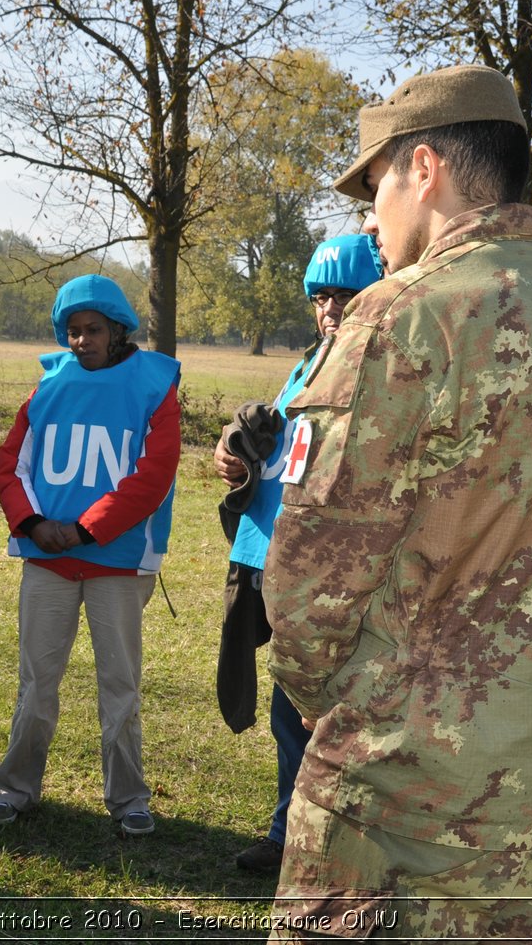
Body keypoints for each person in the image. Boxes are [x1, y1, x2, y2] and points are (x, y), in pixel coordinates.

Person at [263, 65, 532, 940]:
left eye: (376, 186)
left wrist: (341, 704)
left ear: (426, 168)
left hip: (397, 800)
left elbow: (307, 583)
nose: (372, 216)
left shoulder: (399, 319)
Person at [0, 275, 180, 837]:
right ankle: (14, 789)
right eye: (72, 331)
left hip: (117, 561)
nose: (81, 341)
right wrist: (34, 524)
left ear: (118, 331)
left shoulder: (154, 385)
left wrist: (86, 530)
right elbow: (9, 464)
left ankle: (129, 798)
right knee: (36, 681)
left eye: (93, 330)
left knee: (120, 684)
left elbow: (153, 475)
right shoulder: (47, 386)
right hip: (47, 558)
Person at [213, 232, 382, 874]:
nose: (331, 307)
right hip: (270, 560)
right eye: (320, 296)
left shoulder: (379, 371)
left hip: (328, 574)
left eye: (345, 294)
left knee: (322, 717)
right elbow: (285, 454)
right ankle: (290, 834)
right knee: (290, 715)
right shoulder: (307, 364)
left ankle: (328, 845)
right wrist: (235, 457)